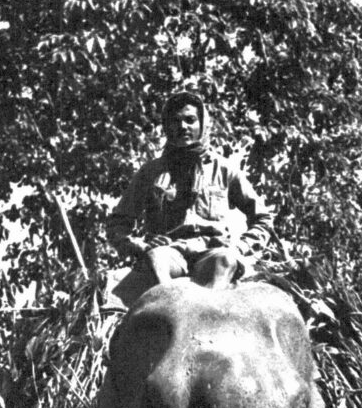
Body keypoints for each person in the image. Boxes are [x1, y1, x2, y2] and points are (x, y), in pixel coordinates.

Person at [107, 90, 275, 307]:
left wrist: (242, 247)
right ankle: (167, 319)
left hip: (212, 249)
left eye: (190, 120)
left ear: (202, 124)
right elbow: (117, 223)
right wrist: (141, 246)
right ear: (166, 127)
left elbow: (262, 217)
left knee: (223, 261)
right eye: (175, 121)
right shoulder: (151, 172)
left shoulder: (224, 170)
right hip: (171, 251)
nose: (183, 127)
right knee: (156, 261)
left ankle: (213, 318)